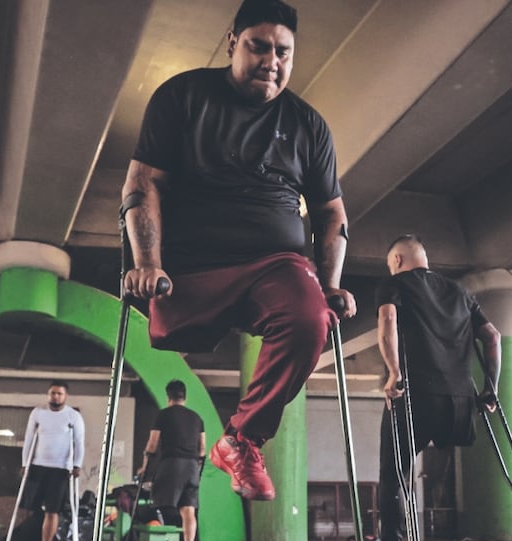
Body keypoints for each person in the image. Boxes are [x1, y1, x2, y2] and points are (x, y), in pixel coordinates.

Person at [120, 0, 356, 502]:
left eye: (284, 52)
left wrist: (331, 284)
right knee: (167, 329)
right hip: (193, 266)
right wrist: (147, 264)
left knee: (313, 319)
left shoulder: (308, 125)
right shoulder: (181, 96)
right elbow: (142, 184)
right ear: (232, 42)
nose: (273, 60)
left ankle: (241, 440)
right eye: (259, 46)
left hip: (277, 263)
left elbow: (332, 215)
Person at [368, 234, 502, 541]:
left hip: (415, 397)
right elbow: (493, 337)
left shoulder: (393, 284)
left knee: (395, 474)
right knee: (404, 469)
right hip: (460, 406)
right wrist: (491, 387)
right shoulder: (460, 293)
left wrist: (395, 374)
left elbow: (387, 322)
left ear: (396, 261)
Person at [136, 380, 206, 541]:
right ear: (185, 396)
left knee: (161, 502)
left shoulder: (163, 415)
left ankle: (167, 539)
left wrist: (144, 467)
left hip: (171, 464)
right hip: (192, 466)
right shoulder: (197, 418)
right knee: (189, 510)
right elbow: (202, 450)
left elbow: (152, 446)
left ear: (168, 397)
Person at [21, 380, 85, 541]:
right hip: (38, 466)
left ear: (66, 396)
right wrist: (25, 463)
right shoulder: (38, 413)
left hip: (59, 469)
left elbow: (79, 442)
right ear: (48, 395)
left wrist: (77, 464)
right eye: (53, 393)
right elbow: (28, 439)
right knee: (31, 507)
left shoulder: (73, 416)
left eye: (59, 393)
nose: (55, 396)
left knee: (52, 510)